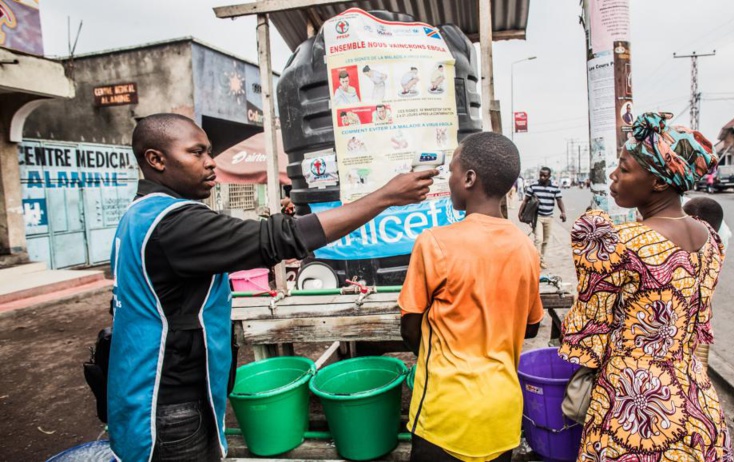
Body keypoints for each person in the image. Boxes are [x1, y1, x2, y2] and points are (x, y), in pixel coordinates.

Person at [108, 113, 437, 462]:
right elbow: (281, 238)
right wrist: (385, 196)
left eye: (210, 152)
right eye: (197, 153)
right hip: (168, 403)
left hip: (147, 389)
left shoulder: (141, 213)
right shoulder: (173, 224)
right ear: (156, 160)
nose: (210, 163)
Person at [559, 112, 733, 461]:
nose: (613, 175)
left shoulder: (618, 242)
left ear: (657, 182)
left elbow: (587, 340)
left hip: (633, 412)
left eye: (624, 169)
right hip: (698, 408)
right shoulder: (711, 239)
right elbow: (698, 327)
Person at [400, 132, 543, 462]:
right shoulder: (526, 249)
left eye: (451, 170)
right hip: (502, 415)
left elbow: (410, 328)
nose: (448, 178)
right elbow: (531, 327)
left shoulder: (433, 243)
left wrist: (442, 358)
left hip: (445, 416)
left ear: (468, 178)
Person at [518, 167, 566, 270]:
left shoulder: (555, 187)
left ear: (549, 176)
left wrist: (563, 212)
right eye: (541, 175)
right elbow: (525, 200)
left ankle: (541, 259)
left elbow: (559, 201)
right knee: (538, 239)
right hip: (538, 217)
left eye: (545, 176)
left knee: (545, 240)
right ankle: (536, 262)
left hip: (549, 217)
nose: (542, 177)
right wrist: (520, 212)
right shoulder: (533, 186)